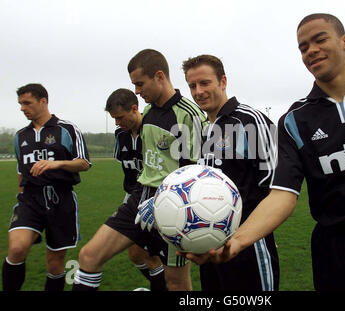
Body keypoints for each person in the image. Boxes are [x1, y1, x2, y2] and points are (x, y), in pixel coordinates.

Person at [185, 14, 345, 291]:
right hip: (332, 250)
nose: (311, 50)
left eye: (320, 39)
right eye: (303, 47)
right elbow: (283, 194)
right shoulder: (295, 120)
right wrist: (236, 242)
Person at [138, 54, 280, 291]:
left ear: (223, 82)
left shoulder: (250, 121)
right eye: (192, 85)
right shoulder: (203, 129)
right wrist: (162, 201)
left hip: (248, 246)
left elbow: (276, 186)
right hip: (209, 244)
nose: (198, 91)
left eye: (205, 83)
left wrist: (257, 232)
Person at [72, 49, 206, 291]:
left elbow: (196, 175)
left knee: (175, 282)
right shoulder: (149, 113)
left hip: (174, 209)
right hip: (139, 199)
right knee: (89, 257)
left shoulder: (189, 114)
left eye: (139, 84)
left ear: (159, 76)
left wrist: (162, 204)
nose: (136, 90)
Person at [2, 83, 91, 291]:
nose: (23, 108)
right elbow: (20, 170)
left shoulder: (67, 129)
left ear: (43, 101)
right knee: (16, 249)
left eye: (27, 103)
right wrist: (21, 196)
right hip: (30, 200)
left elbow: (84, 163)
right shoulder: (20, 136)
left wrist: (57, 163)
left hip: (61, 200)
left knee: (55, 263)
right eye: (20, 104)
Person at [107, 88, 167, 291]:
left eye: (120, 117)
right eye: (114, 118)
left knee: (157, 255)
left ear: (134, 109)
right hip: (132, 198)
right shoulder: (120, 135)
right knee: (136, 254)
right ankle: (162, 285)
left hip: (155, 198)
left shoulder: (153, 131)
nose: (117, 123)